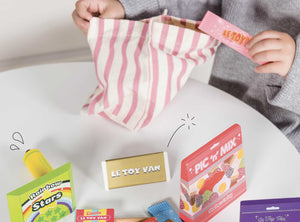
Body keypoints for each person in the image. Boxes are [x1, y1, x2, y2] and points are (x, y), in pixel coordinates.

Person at [72, 0, 300, 152]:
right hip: (223, 117)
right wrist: (124, 7)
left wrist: (294, 62)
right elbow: (200, 5)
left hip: (287, 145)